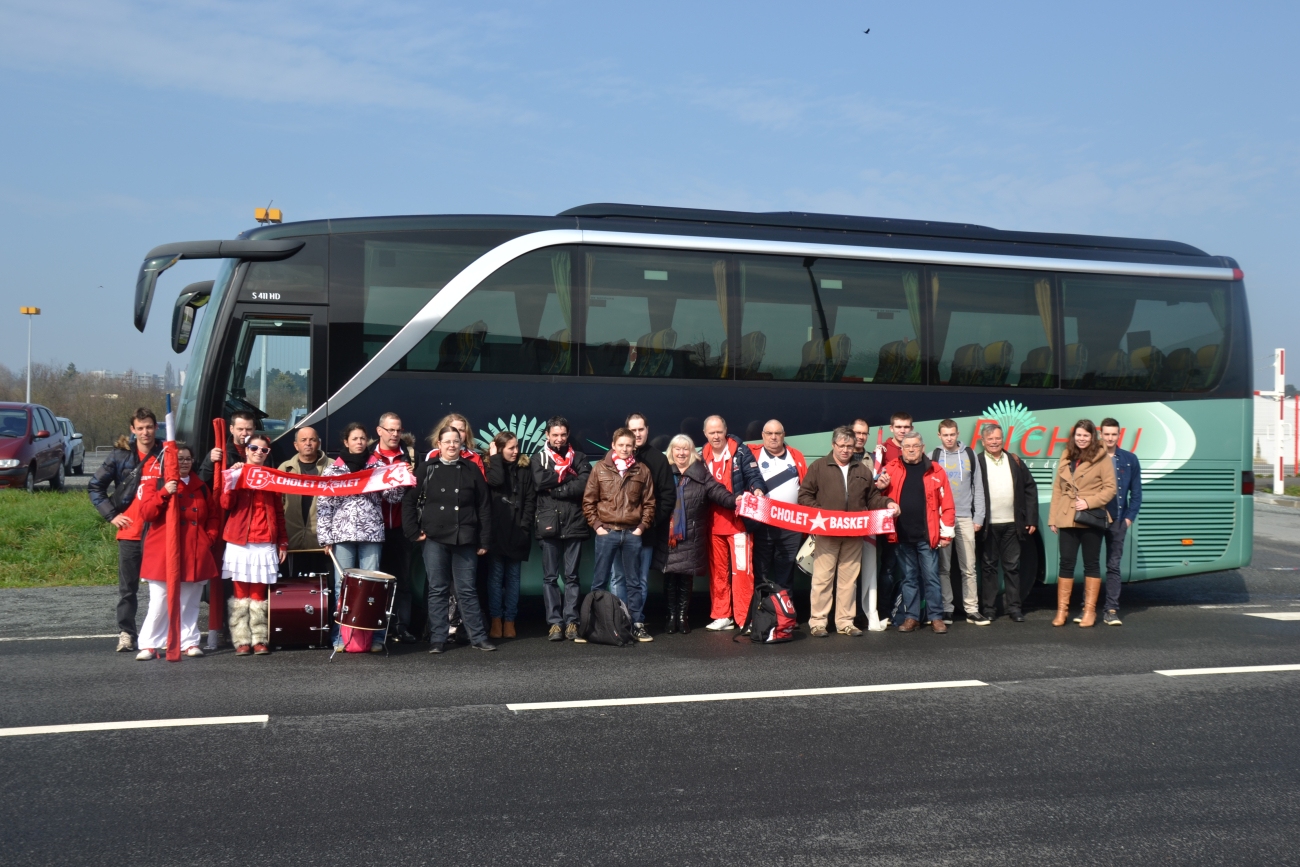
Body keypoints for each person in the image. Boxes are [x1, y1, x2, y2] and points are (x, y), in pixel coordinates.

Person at [797, 426, 899, 637]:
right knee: (822, 579)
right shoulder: (818, 467)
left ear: (855, 447)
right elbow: (804, 496)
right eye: (841, 446)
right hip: (826, 534)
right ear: (833, 445)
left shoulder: (862, 470)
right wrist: (821, 515)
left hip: (854, 535)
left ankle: (845, 622)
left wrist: (888, 502)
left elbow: (871, 499)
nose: (845, 450)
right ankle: (818, 623)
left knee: (848, 580)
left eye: (849, 446)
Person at [403, 425, 495, 653]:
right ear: (439, 445)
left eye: (456, 441)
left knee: (466, 590)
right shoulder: (426, 469)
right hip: (434, 537)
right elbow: (408, 502)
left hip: (464, 537)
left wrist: (484, 540)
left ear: (462, 444)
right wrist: (413, 532)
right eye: (448, 442)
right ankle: (437, 639)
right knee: (437, 589)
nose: (452, 445)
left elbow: (484, 506)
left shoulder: (471, 469)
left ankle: (478, 637)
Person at [317, 423, 405, 653]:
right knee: (342, 586)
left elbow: (393, 498)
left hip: (371, 535)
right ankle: (340, 637)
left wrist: (399, 478)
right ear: (346, 442)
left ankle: (374, 638)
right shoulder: (333, 470)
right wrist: (325, 538)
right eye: (354, 438)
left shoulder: (377, 467)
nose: (359, 442)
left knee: (373, 588)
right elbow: (324, 506)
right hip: (342, 535)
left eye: (362, 438)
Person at [134, 444, 220, 660]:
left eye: (187, 459)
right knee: (160, 601)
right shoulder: (158, 483)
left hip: (194, 550)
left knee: (189, 601)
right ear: (170, 462)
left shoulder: (200, 487)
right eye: (179, 459)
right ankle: (150, 643)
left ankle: (188, 641)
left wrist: (207, 538)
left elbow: (213, 516)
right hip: (164, 551)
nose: (184, 463)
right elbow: (146, 513)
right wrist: (164, 493)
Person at [88, 407, 163, 653]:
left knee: (161, 588)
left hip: (159, 532)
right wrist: (112, 515)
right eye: (140, 428)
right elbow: (95, 486)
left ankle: (159, 634)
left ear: (156, 427)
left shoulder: (166, 453)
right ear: (132, 429)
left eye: (149, 427)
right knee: (128, 589)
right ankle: (126, 633)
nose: (145, 432)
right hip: (130, 531)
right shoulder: (119, 456)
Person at [583, 427, 657, 642]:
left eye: (629, 445)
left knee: (634, 582)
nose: (625, 449)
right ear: (613, 445)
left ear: (634, 447)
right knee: (599, 581)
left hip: (632, 534)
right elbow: (589, 501)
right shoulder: (600, 469)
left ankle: (636, 624)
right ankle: (595, 626)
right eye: (621, 445)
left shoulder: (642, 470)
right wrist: (597, 527)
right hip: (607, 532)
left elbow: (650, 503)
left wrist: (640, 528)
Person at [657, 435, 736, 633]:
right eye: (677, 449)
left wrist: (736, 501)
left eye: (686, 449)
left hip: (691, 535)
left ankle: (683, 617)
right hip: (667, 535)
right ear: (671, 451)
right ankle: (670, 616)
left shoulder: (700, 473)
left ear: (691, 452)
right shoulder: (663, 471)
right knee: (669, 576)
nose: (681, 453)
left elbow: (717, 491)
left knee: (685, 577)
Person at [220, 434, 289, 656]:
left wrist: (283, 542)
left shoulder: (272, 477)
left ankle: (259, 639)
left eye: (264, 450)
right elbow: (225, 503)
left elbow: (279, 512)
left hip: (265, 541)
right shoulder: (236, 472)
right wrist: (234, 479)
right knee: (241, 593)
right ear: (246, 450)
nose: (259, 452)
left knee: (259, 594)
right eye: (254, 448)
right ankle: (242, 640)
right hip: (240, 541)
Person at [882, 431, 955, 634]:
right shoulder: (891, 469)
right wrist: (879, 487)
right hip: (902, 535)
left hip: (927, 536)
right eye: (907, 447)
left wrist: (946, 533)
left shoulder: (935, 470)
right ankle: (911, 617)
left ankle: (936, 617)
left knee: (931, 577)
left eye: (915, 446)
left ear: (922, 448)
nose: (911, 450)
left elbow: (947, 504)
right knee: (909, 578)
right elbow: (877, 494)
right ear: (902, 449)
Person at [1048, 419, 1117, 628]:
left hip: (1090, 517)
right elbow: (1058, 489)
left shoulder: (1101, 457)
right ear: (1074, 436)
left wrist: (1088, 502)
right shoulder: (1066, 454)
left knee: (1091, 564)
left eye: (1086, 435)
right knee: (1066, 563)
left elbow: (1110, 488)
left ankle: (1089, 611)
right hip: (1067, 516)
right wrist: (1053, 518)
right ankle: (1062, 611)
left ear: (1092, 437)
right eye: (1078, 435)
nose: (1082, 439)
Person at [701, 415, 767, 631]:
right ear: (705, 434)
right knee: (718, 572)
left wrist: (757, 489)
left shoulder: (740, 451)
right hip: (713, 524)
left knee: (742, 573)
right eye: (712, 432)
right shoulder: (703, 453)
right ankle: (722, 615)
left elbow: (754, 475)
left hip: (739, 524)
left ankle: (744, 618)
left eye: (719, 431)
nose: (716, 436)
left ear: (726, 430)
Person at [532, 416, 592, 642]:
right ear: (547, 435)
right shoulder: (539, 458)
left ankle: (572, 622)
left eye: (563, 434)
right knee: (549, 578)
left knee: (572, 576)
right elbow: (539, 482)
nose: (559, 439)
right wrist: (567, 479)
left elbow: (584, 485)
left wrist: (555, 489)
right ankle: (555, 623)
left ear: (568, 435)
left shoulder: (580, 457)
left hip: (574, 523)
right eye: (555, 434)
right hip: (548, 524)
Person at [974, 423, 1039, 624]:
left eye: (998, 438)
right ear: (983, 441)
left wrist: (1031, 518)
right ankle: (990, 609)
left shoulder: (1014, 460)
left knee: (1012, 567)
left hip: (1013, 524)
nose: (995, 442)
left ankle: (1014, 608)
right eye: (990, 439)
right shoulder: (977, 462)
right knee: (989, 567)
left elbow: (1030, 488)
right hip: (988, 525)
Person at [612, 414, 675, 616]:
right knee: (618, 577)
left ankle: (635, 621)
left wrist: (650, 523)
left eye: (641, 429)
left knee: (639, 579)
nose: (637, 434)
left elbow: (667, 497)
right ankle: (620, 620)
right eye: (633, 430)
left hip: (644, 532)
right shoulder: (612, 459)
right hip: (616, 530)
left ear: (647, 430)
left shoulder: (658, 459)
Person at [371, 412, 418, 644]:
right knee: (377, 581)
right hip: (375, 530)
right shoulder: (369, 457)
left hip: (401, 529)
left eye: (398, 430)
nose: (395, 434)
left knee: (403, 581)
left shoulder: (409, 455)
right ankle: (379, 627)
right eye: (390, 430)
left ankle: (401, 627)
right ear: (379, 431)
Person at [484, 431, 537, 639]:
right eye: (510, 448)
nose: (515, 451)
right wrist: (495, 458)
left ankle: (510, 620)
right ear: (499, 449)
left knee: (514, 578)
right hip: (496, 533)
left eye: (516, 447)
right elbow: (495, 482)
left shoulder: (524, 469)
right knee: (495, 578)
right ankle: (496, 619)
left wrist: (524, 526)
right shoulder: (490, 468)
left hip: (517, 531)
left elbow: (530, 500)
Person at [932, 419, 985, 624]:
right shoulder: (934, 457)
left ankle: (972, 609)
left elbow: (978, 488)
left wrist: (978, 517)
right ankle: (947, 609)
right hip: (943, 518)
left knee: (969, 567)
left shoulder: (970, 455)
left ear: (957, 433)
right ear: (939, 435)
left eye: (952, 434)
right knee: (944, 567)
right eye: (945, 435)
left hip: (965, 517)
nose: (949, 438)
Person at [748, 419, 807, 592]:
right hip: (762, 524)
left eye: (777, 433)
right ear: (762, 436)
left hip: (790, 524)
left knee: (786, 573)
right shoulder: (752, 454)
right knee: (761, 572)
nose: (773, 437)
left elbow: (806, 487)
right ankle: (761, 615)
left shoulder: (796, 455)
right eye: (769, 433)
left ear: (784, 435)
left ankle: (784, 617)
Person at [1096, 418, 1142, 626]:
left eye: (1114, 434)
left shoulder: (1130, 459)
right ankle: (1087, 608)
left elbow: (1137, 493)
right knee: (1092, 565)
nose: (1110, 438)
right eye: (1107, 434)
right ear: (1101, 434)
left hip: (1118, 522)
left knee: (1113, 566)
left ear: (1119, 435)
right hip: (1095, 519)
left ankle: (1111, 610)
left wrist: (1128, 519)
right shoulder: (1093, 458)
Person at [873, 411, 911, 622]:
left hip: (910, 519)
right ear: (891, 428)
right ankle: (884, 611)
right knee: (887, 567)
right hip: (888, 518)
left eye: (906, 427)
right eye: (899, 427)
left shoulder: (914, 447)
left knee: (909, 569)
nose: (903, 431)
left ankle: (907, 611)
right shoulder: (882, 452)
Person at [278, 427, 329, 553]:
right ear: (296, 445)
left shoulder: (333, 467)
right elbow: (277, 504)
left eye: (312, 440)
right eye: (303, 440)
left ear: (319, 443)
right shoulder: (285, 469)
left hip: (323, 543)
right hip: (291, 541)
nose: (308, 443)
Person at [199, 410, 256, 487]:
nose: (244, 433)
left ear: (254, 429)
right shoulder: (220, 452)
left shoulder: (262, 451)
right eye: (240, 429)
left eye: (248, 429)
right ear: (231, 429)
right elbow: (201, 480)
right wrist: (210, 462)